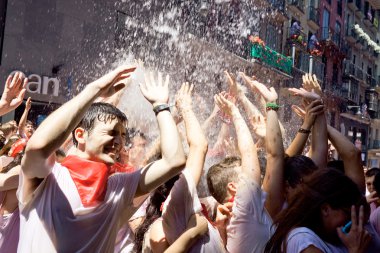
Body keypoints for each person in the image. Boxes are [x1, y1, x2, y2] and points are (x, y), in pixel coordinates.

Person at [18, 66, 186, 252]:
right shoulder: (48, 177)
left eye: (123, 135)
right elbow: (37, 146)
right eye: (111, 133)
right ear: (81, 135)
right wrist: (93, 89)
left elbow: (174, 161)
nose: (119, 142)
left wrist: (161, 106)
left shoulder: (119, 186)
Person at [265, 169, 371, 253]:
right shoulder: (303, 239)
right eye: (348, 215)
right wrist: (356, 250)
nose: (352, 225)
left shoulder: (330, 238)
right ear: (325, 209)